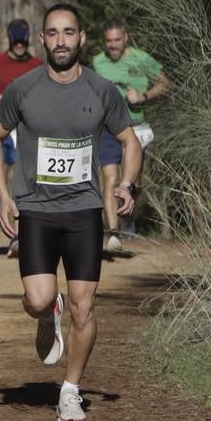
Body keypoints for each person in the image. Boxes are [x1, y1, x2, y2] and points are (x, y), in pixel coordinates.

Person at [0, 3, 139, 421]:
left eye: (68, 32)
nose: (61, 41)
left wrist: (126, 183)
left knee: (84, 307)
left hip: (84, 209)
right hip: (35, 208)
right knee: (37, 300)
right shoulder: (23, 88)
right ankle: (45, 313)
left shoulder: (101, 89)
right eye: (52, 33)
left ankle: (70, 390)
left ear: (81, 38)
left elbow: (130, 141)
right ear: (43, 40)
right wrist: (2, 195)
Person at [92, 19, 168, 251]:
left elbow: (165, 83)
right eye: (109, 41)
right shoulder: (97, 62)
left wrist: (143, 96)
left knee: (134, 181)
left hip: (136, 126)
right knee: (110, 178)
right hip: (108, 127)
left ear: (126, 38)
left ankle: (127, 217)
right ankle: (113, 233)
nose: (113, 45)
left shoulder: (141, 58)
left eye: (117, 40)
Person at [0, 19, 44, 257]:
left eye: (22, 41)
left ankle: (17, 237)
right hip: (0, 130)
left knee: (24, 181)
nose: (18, 45)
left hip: (27, 130)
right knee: (0, 183)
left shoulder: (38, 66)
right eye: (15, 41)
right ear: (9, 40)